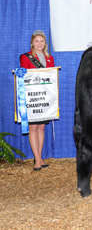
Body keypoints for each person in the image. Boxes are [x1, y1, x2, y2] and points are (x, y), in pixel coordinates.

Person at [20, 30, 55, 171]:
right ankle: (37, 159)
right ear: (32, 43)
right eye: (37, 41)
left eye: (42, 41)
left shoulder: (49, 58)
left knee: (41, 127)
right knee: (33, 127)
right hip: (32, 97)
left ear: (45, 43)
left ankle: (39, 157)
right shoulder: (25, 57)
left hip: (45, 97)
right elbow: (24, 76)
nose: (40, 43)